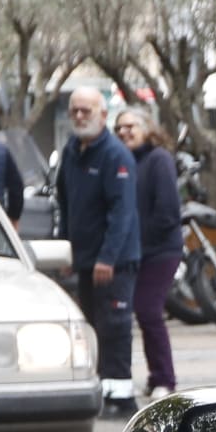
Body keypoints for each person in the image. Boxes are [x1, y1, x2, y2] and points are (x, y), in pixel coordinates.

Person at [56, 87, 141, 413]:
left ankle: (121, 397)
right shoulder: (71, 151)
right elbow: (65, 205)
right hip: (85, 261)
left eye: (86, 111)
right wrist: (67, 251)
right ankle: (101, 393)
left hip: (114, 263)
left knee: (115, 327)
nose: (79, 116)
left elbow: (122, 213)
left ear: (102, 115)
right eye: (74, 110)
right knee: (90, 328)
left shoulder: (116, 155)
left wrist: (108, 257)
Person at [115, 106, 185, 402]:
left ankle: (165, 380)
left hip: (160, 251)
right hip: (134, 252)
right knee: (142, 314)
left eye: (131, 126)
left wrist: (137, 240)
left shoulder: (159, 159)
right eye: (119, 128)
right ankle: (156, 376)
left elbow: (168, 211)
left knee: (148, 310)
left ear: (147, 128)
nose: (124, 132)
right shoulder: (124, 161)